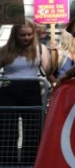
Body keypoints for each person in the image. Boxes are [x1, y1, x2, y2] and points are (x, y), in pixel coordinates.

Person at [0, 21, 53, 165]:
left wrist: (50, 56)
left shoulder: (40, 49)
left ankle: (30, 162)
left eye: (29, 34)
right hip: (8, 89)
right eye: (22, 35)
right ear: (15, 36)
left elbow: (47, 71)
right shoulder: (5, 50)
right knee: (7, 129)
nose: (26, 38)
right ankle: (7, 162)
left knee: (33, 129)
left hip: (32, 89)